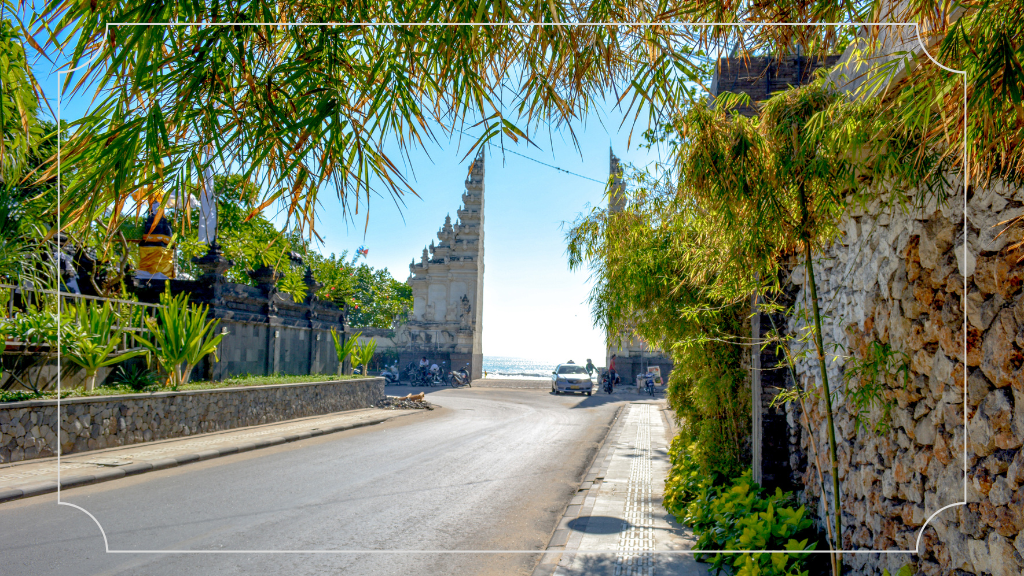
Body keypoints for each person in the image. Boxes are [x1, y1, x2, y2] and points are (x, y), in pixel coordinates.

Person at [137, 200, 175, 279]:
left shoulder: (164, 222)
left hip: (162, 249)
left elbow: (170, 237)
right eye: (154, 206)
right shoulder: (149, 220)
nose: (156, 208)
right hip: (149, 246)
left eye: (158, 206)